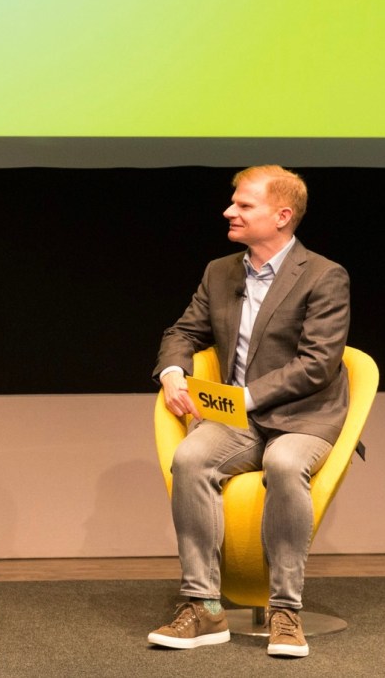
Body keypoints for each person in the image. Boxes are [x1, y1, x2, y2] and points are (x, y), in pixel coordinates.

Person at [148, 165, 350, 658]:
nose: (229, 211)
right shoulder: (220, 272)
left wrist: (246, 398)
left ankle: (286, 610)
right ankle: (203, 607)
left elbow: (317, 365)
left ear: (282, 216)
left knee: (283, 464)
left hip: (303, 415)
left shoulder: (325, 276)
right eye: (232, 202)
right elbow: (181, 333)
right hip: (239, 420)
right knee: (191, 459)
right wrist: (172, 373)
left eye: (243, 205)